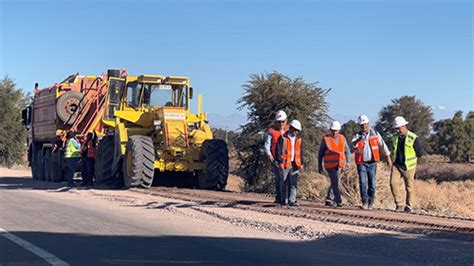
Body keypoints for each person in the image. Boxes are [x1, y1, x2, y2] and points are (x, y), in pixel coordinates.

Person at [352, 115, 392, 210]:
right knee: (362, 182)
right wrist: (359, 139)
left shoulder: (375, 134)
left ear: (368, 123)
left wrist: (388, 157)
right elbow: (353, 145)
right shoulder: (357, 136)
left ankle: (371, 202)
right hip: (361, 163)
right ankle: (364, 202)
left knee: (372, 184)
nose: (364, 127)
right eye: (362, 125)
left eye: (365, 124)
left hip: (372, 163)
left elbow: (383, 145)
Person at [390, 116, 424, 213]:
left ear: (404, 126)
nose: (397, 130)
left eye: (399, 128)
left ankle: (409, 206)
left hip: (409, 166)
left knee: (409, 187)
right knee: (393, 183)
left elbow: (420, 153)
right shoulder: (394, 137)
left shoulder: (413, 138)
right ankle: (399, 204)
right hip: (397, 165)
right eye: (396, 128)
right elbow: (393, 149)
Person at [318, 121, 351, 207]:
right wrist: (319, 165)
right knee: (335, 181)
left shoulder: (342, 138)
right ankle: (338, 200)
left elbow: (347, 150)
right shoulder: (326, 139)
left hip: (340, 164)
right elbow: (320, 153)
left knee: (335, 182)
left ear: (339, 130)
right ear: (330, 130)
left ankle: (329, 198)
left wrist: (348, 162)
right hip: (330, 165)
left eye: (336, 130)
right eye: (333, 130)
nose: (335, 132)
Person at [275, 120, 304, 206]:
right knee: (283, 182)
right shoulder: (283, 138)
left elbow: (300, 152)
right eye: (295, 130)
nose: (296, 132)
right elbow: (278, 151)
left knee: (293, 183)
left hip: (295, 164)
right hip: (285, 163)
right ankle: (283, 200)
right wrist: (280, 162)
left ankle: (292, 200)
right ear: (291, 128)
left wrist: (301, 163)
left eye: (298, 130)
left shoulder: (298, 139)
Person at [264, 110, 289, 203]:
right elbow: (267, 145)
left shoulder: (289, 131)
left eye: (283, 121)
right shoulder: (271, 131)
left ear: (286, 121)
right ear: (276, 122)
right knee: (279, 179)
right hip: (276, 159)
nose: (281, 123)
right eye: (279, 122)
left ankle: (284, 197)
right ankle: (279, 197)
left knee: (285, 179)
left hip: (287, 159)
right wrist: (269, 155)